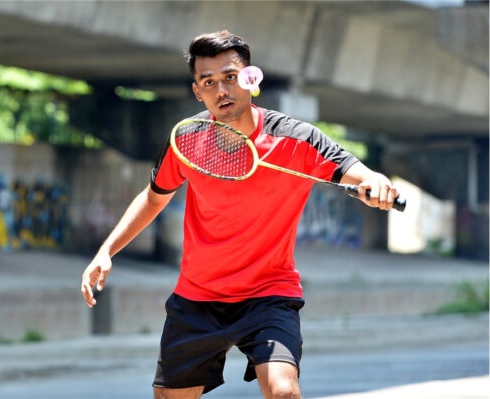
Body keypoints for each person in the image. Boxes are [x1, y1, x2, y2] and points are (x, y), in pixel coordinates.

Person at [81, 30, 399, 399]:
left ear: (251, 79)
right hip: (197, 299)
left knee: (283, 391)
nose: (222, 90)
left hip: (268, 295)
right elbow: (154, 198)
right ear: (197, 91)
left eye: (231, 77)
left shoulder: (296, 138)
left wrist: (378, 185)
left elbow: (361, 173)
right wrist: (106, 251)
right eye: (209, 82)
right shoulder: (186, 140)